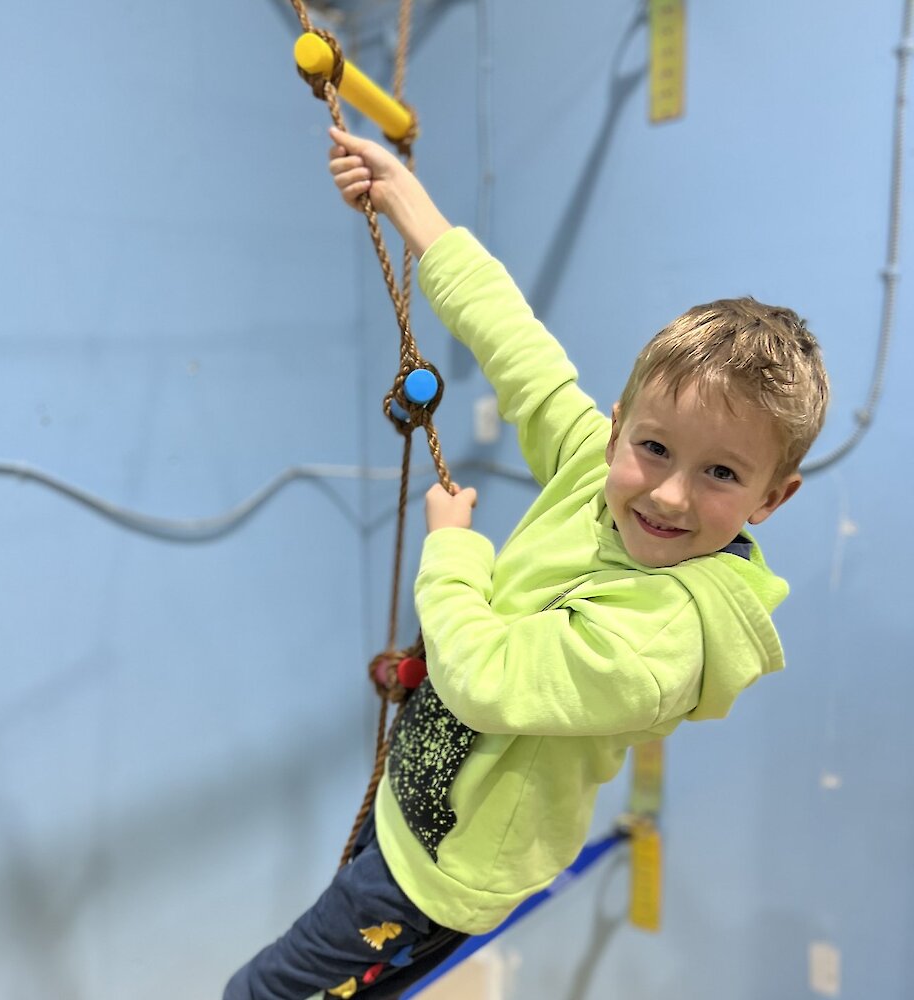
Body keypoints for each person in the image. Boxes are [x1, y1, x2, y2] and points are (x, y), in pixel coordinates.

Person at [223, 126, 830, 1000]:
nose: (667, 495)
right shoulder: (597, 469)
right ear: (618, 425)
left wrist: (452, 550)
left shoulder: (664, 639)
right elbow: (515, 343)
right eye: (653, 448)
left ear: (773, 499)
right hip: (412, 810)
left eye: (723, 474)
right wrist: (408, 201)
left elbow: (485, 678)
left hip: (439, 880)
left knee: (258, 994)